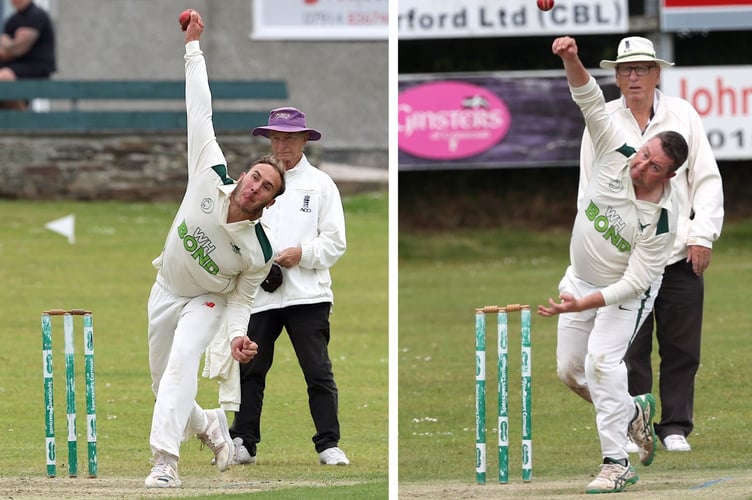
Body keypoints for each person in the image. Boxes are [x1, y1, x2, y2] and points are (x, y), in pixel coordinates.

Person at [540, 36, 689, 494]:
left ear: (668, 175)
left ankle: (616, 462)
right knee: (570, 371)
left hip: (624, 294)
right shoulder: (617, 151)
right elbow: (587, 97)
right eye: (644, 154)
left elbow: (637, 282)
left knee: (603, 364)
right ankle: (634, 412)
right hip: (580, 277)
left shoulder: (663, 219)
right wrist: (570, 58)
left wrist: (586, 302)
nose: (641, 166)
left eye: (653, 166)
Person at [144, 10, 286, 488]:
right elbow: (199, 110)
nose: (255, 188)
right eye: (255, 177)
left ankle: (165, 463)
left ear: (267, 203)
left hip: (206, 300)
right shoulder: (209, 169)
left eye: (266, 188)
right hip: (166, 288)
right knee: (163, 384)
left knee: (183, 365)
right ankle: (209, 426)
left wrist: (235, 339)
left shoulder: (257, 251)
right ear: (244, 174)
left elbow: (242, 302)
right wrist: (192, 48)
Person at [580, 36, 724, 453]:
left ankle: (675, 426)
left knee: (681, 345)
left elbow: (707, 180)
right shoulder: (603, 119)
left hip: (677, 251)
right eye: (627, 69)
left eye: (643, 68)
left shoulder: (682, 114)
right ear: (617, 75)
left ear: (658, 72)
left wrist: (702, 236)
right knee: (629, 349)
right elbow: (588, 189)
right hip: (625, 255)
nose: (635, 76)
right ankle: (631, 425)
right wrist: (600, 247)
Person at [225, 107, 349, 466]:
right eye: (276, 138)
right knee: (251, 369)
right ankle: (243, 442)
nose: (282, 146)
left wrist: (303, 254)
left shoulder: (321, 184)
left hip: (308, 294)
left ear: (304, 141)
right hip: (259, 294)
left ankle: (329, 444)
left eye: (289, 139)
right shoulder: (252, 183)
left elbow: (335, 242)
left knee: (317, 371)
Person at [0, 0, 56, 109]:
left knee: (4, 77)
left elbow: (18, 49)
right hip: (14, 67)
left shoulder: (36, 15)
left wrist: (7, 43)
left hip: (36, 69)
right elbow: (5, 53)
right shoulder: (12, 20)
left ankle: (22, 117)